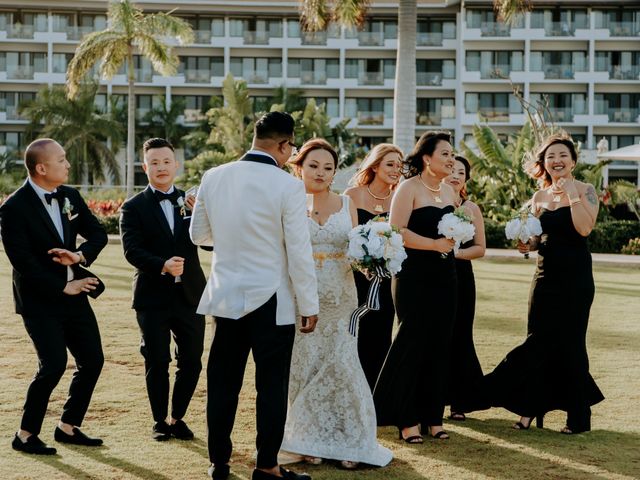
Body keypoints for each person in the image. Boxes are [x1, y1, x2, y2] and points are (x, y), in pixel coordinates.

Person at [189, 112, 319, 480]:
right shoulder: (288, 186)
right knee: (271, 387)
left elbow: (199, 235)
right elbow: (298, 250)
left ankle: (219, 462)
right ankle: (267, 466)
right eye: (291, 147)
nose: (289, 154)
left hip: (226, 297)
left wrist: (234, 240)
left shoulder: (214, 176)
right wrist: (309, 304)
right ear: (283, 144)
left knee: (222, 384)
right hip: (272, 302)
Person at [281, 139, 392, 469]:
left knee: (341, 364)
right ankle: (306, 439)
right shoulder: (288, 202)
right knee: (305, 366)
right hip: (301, 295)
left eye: (328, 167)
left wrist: (375, 259)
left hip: (341, 297)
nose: (321, 172)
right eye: (314, 166)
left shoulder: (346, 204)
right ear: (300, 167)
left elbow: (356, 251)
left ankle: (348, 438)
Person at [483, 133, 604, 434]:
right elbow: (538, 238)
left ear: (573, 161)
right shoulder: (539, 197)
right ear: (544, 163)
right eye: (550, 157)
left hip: (575, 277)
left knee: (572, 345)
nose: (556, 161)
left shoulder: (587, 190)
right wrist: (528, 243)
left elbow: (584, 228)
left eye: (562, 155)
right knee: (536, 340)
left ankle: (578, 417)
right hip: (544, 276)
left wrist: (571, 194)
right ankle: (528, 409)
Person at [0, 138, 107, 455]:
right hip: (39, 300)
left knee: (93, 361)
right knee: (54, 364)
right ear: (41, 168)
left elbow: (98, 234)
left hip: (76, 295)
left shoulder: (70, 196)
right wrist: (62, 286)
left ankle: (68, 427)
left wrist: (79, 256)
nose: (68, 164)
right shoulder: (13, 208)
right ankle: (25, 434)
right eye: (62, 160)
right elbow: (23, 262)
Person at [119, 138, 207, 442]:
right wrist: (162, 265)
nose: (161, 167)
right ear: (145, 167)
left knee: (192, 360)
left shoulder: (192, 202)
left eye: (166, 162)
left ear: (176, 165)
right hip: (152, 297)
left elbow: (209, 242)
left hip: (191, 295)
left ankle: (177, 417)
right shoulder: (133, 207)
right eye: (154, 162)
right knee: (157, 360)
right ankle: (159, 420)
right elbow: (131, 250)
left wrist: (202, 214)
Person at [373, 131, 457, 442]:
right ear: (427, 158)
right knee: (411, 343)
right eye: (445, 154)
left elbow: (455, 236)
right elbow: (396, 232)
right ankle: (405, 418)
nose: (451, 159)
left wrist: (452, 240)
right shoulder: (408, 188)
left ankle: (433, 417)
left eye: (452, 154)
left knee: (439, 345)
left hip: (446, 277)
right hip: (413, 277)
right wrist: (434, 244)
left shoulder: (448, 192)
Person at [344, 143, 403, 391]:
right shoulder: (353, 195)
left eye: (400, 166)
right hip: (357, 279)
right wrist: (365, 266)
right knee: (356, 335)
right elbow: (347, 238)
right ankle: (353, 392)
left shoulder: (399, 197)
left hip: (389, 279)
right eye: (390, 164)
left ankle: (377, 395)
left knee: (382, 336)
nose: (396, 170)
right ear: (375, 165)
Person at [442, 156, 487, 420]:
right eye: (452, 169)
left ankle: (459, 401)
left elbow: (480, 248)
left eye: (462, 172)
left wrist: (454, 253)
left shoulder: (471, 208)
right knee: (438, 337)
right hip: (434, 275)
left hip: (462, 276)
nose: (456, 175)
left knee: (460, 335)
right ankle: (434, 397)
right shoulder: (431, 202)